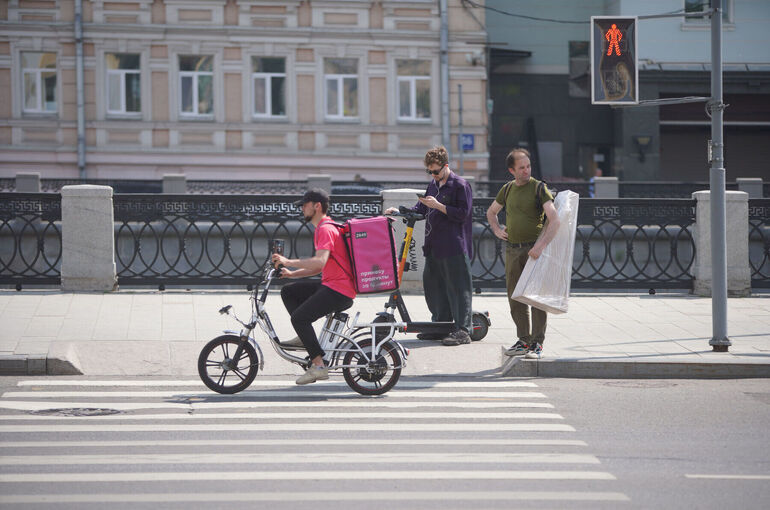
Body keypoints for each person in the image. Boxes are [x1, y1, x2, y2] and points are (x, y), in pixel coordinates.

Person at [384, 146, 474, 346]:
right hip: (433, 245)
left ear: (446, 166)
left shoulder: (460, 185)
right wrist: (399, 211)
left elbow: (463, 214)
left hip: (454, 245)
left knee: (458, 288)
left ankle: (463, 330)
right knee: (434, 286)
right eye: (430, 171)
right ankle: (439, 326)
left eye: (436, 171)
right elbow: (422, 208)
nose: (433, 175)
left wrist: (439, 206)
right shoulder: (432, 185)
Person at [271, 188, 356, 385]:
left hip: (339, 290)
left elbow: (319, 262)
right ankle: (304, 337)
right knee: (289, 291)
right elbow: (319, 267)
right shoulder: (327, 227)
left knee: (299, 318)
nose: (301, 209)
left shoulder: (325, 229)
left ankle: (318, 366)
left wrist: (288, 261)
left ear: (317, 206)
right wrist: (292, 274)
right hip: (333, 285)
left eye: (304, 205)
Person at [486, 148, 560, 359]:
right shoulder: (507, 189)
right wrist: (498, 230)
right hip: (512, 250)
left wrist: (541, 246)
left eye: (528, 166)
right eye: (521, 168)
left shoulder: (539, 188)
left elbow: (554, 219)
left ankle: (537, 344)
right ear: (512, 170)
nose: (526, 171)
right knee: (515, 297)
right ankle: (523, 340)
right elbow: (491, 212)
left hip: (534, 250)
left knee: (536, 298)